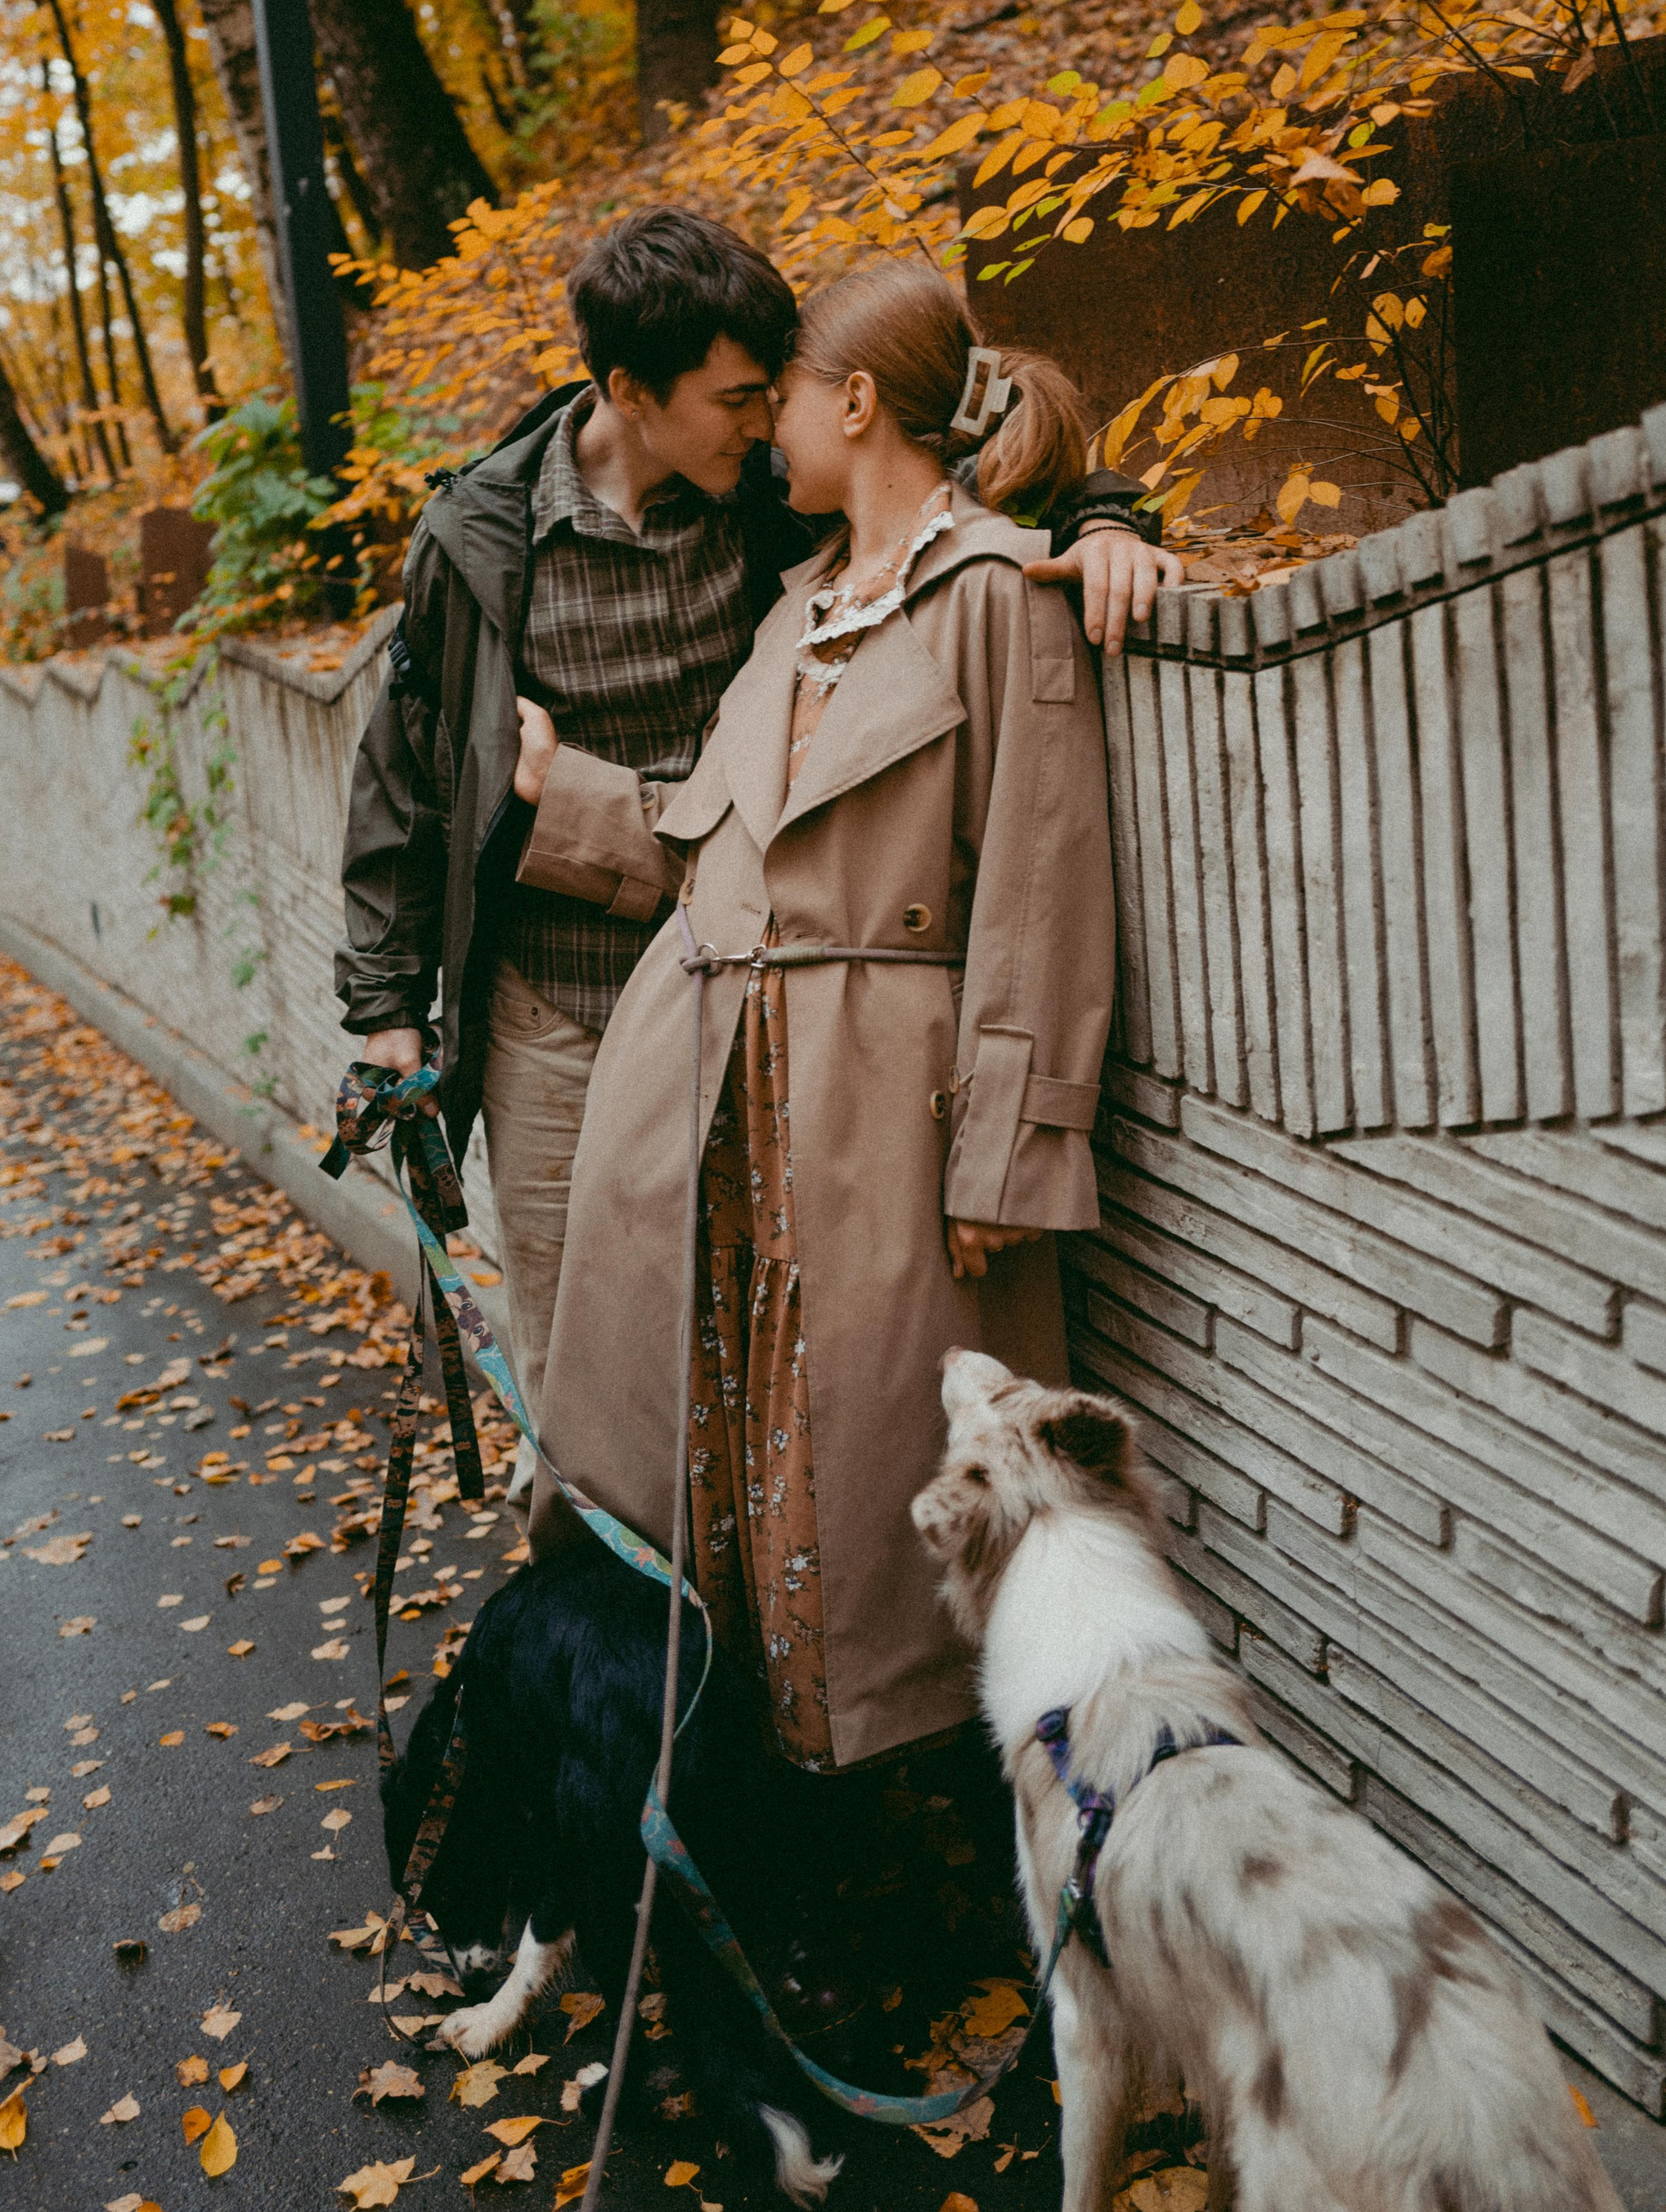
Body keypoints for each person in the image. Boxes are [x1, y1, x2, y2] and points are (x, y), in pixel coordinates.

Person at [335, 208, 1174, 1427]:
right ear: (631, 390)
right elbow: (402, 776)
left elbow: (952, 466)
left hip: (739, 997)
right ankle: (574, 1554)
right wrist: (385, 1007)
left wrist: (1107, 521)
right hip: (553, 1006)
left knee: (741, 1365)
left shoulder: (770, 503)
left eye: (774, 392)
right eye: (737, 398)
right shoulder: (481, 535)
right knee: (581, 1367)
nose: (763, 419)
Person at [527, 258, 1116, 1772]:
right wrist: (552, 796)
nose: (763, 430)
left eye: (781, 395)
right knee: (740, 1454)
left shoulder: (998, 594)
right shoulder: (799, 607)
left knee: (866, 1476)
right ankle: (765, 1781)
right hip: (719, 1105)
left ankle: (895, 1803)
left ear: (853, 402)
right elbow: (724, 853)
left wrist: (1009, 1153)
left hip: (873, 1115)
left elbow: (1043, 886)